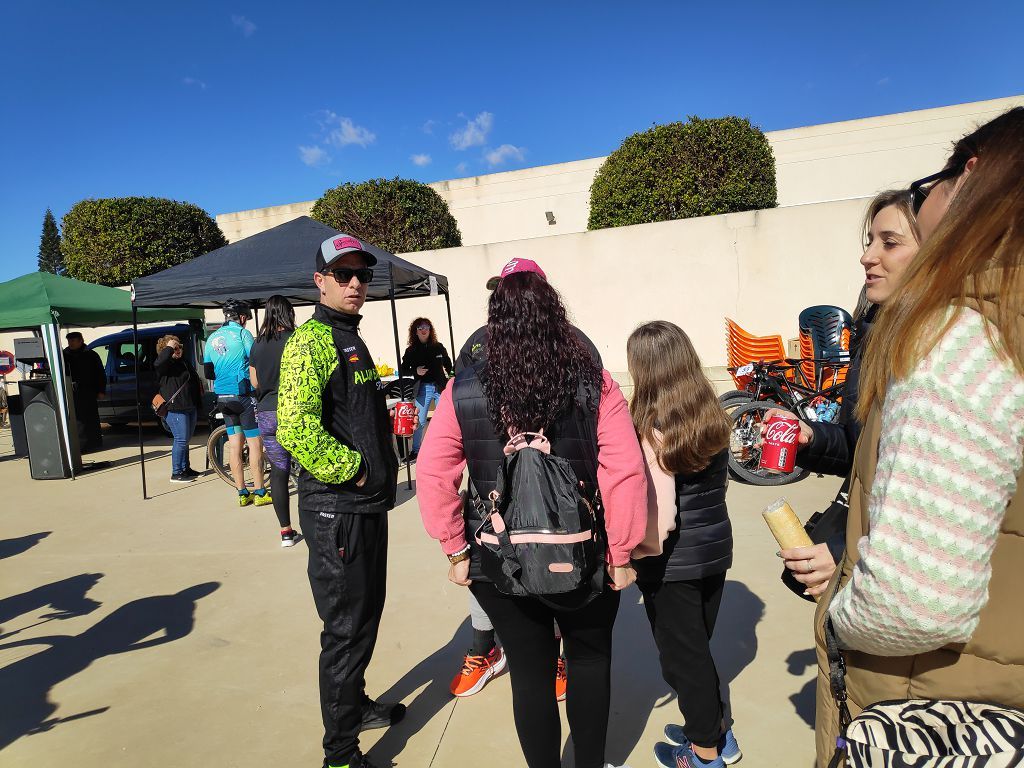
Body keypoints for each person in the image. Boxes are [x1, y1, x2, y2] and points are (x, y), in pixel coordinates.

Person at [813, 108, 1024, 765]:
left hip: (926, 706)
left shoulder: (961, 334)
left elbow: (912, 601)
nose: (868, 256)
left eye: (891, 238)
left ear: (972, 176)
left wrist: (836, 615)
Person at [417, 262, 648, 768]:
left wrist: (454, 547)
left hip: (498, 561)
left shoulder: (464, 389)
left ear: (494, 316)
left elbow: (432, 472)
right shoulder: (594, 382)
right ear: (553, 310)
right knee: (589, 661)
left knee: (529, 672)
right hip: (584, 554)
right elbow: (625, 472)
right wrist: (622, 552)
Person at [277, 234, 403, 768]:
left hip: (366, 507)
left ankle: (354, 707)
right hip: (336, 512)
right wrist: (353, 470)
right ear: (320, 281)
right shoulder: (310, 342)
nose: (356, 284)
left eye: (362, 275)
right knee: (346, 629)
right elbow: (294, 426)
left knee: (365, 618)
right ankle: (341, 753)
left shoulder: (351, 336)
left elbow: (348, 411)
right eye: (344, 274)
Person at [448, 259, 601, 700]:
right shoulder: (478, 347)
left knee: (555, 568)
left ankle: (556, 654)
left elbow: (600, 429)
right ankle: (485, 649)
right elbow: (457, 422)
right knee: (494, 570)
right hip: (497, 492)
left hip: (560, 495)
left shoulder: (576, 346)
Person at [770, 189, 922, 598]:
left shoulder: (947, 350)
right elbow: (860, 451)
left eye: (889, 243)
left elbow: (926, 499)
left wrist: (845, 552)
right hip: (859, 561)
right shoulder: (873, 336)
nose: (868, 256)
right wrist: (811, 437)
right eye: (869, 241)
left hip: (893, 580)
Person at [627, 321, 741, 768]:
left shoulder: (655, 427)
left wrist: (633, 556)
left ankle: (703, 752)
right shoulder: (710, 412)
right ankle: (716, 731)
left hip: (672, 563)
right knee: (697, 652)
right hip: (715, 550)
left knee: (682, 662)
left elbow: (661, 516)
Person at [203, 300, 269, 508]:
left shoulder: (211, 337)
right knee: (254, 444)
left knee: (234, 446)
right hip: (243, 395)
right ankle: (260, 492)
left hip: (223, 397)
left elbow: (208, 372)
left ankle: (242, 493)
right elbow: (256, 360)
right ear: (241, 317)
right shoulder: (242, 334)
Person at [248, 295, 299, 548]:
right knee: (310, 469)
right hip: (294, 412)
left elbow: (255, 382)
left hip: (267, 414)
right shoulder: (295, 339)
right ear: (287, 313)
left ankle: (286, 532)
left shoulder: (257, 344)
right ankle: (316, 526)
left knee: (279, 472)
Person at [399, 317, 453, 462]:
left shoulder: (438, 346)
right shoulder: (411, 351)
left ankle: (448, 450)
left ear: (430, 330)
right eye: (420, 328)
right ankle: (416, 451)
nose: (423, 330)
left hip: (440, 387)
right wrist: (415, 371)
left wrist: (451, 376)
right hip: (423, 388)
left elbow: (449, 364)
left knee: (446, 420)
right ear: (415, 332)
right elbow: (403, 370)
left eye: (426, 327)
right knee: (420, 421)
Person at [154, 334, 203, 483]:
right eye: (175, 348)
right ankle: (176, 472)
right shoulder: (164, 365)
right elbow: (159, 363)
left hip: (189, 406)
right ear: (166, 350)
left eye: (179, 347)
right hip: (175, 408)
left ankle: (185, 468)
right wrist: (170, 346)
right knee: (181, 439)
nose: (178, 350)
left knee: (186, 439)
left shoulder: (183, 362)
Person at [62, 331, 106, 452]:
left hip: (89, 391)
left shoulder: (91, 355)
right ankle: (81, 445)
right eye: (69, 341)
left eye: (73, 341)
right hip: (71, 392)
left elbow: (100, 374)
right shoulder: (64, 355)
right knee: (77, 419)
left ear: (80, 340)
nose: (70, 343)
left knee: (91, 417)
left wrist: (101, 390)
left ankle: (95, 442)